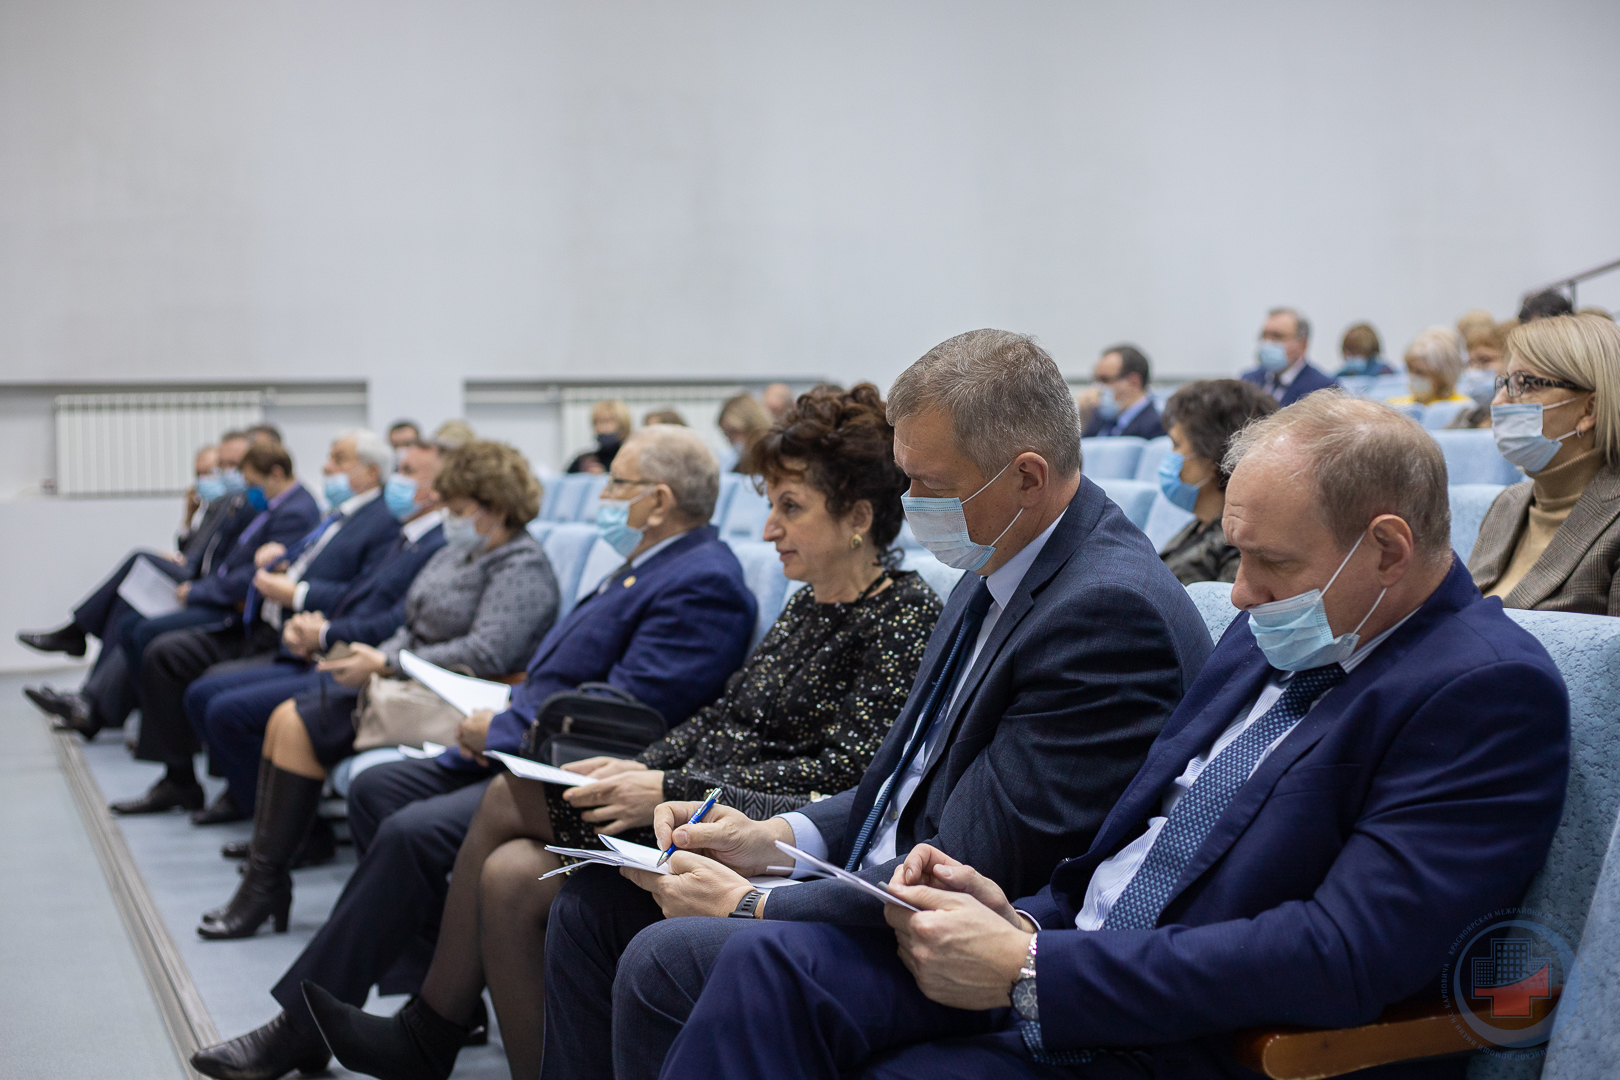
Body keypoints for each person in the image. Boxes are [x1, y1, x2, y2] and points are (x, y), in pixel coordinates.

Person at [654, 392, 1569, 1080]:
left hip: (1189, 1035)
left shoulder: (1484, 691)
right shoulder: (1282, 627)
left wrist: (1034, 966)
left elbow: (1342, 953)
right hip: (1065, 961)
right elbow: (1136, 854)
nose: (1239, 592)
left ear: (1389, 548)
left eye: (1270, 562)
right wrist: (1016, 917)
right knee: (770, 969)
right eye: (1239, 554)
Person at [532, 329, 1213, 1080]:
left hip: (968, 933)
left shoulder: (1106, 613)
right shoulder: (1000, 554)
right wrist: (775, 838)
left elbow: (971, 861)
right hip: (875, 880)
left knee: (669, 957)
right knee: (593, 906)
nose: (909, 503)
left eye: (927, 483)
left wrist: (756, 904)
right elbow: (903, 786)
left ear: (1026, 476)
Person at [302, 383, 944, 1080]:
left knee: (505, 801)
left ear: (858, 518)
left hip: (750, 826)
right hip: (690, 799)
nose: (767, 530)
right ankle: (458, 1041)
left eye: (790, 508)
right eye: (770, 507)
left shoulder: (902, 618)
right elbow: (722, 717)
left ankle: (429, 1030)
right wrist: (640, 769)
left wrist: (667, 784)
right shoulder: (809, 604)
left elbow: (846, 777)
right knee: (511, 874)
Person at [190, 423, 758, 1080]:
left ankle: (342, 1028)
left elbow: (629, 713)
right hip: (531, 742)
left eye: (616, 485)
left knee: (411, 833)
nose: (603, 496)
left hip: (585, 773)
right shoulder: (648, 564)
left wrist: (507, 731)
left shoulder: (703, 581)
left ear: (658, 501)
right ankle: (436, 1000)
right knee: (380, 791)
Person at [195, 440, 560, 941]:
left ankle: (264, 888)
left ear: (495, 508)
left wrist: (387, 663)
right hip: (409, 682)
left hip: (458, 696)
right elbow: (411, 626)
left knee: (296, 722)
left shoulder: (521, 566)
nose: (449, 517)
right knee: (285, 719)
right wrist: (370, 658)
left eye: (458, 509)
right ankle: (266, 881)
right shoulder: (461, 552)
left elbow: (487, 652)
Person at [113, 432, 399, 817]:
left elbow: (359, 593)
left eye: (339, 459)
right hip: (271, 624)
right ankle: (186, 781)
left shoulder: (379, 521)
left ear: (371, 471)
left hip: (301, 638)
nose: (326, 467)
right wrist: (283, 561)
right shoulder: (342, 514)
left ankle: (259, 807)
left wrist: (297, 595)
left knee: (206, 689)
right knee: (161, 651)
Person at [183, 440, 451, 828]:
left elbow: (393, 623)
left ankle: (292, 830)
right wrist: (311, 628)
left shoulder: (430, 543)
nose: (397, 479)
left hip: (362, 665)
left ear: (439, 489)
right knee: (205, 693)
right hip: (330, 648)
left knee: (227, 711)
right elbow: (357, 596)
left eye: (408, 472)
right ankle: (265, 816)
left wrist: (323, 633)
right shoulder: (405, 537)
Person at [20, 430, 254, 735]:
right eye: (214, 468)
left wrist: (192, 580)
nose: (216, 476)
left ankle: (78, 642)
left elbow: (219, 567)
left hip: (208, 595)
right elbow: (195, 552)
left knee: (139, 565)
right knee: (128, 608)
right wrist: (187, 520)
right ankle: (88, 702)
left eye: (228, 466)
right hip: (194, 581)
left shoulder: (246, 507)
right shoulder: (221, 504)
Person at [1470, 313, 1620, 614]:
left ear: (1589, 409)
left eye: (1524, 384)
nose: (1498, 402)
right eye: (1505, 383)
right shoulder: (1508, 503)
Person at [1154, 380, 1279, 585]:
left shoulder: (1239, 544)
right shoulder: (1201, 525)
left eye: (1176, 445)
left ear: (1211, 456)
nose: (1171, 456)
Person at [1240, 307, 1338, 406]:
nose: (1267, 342)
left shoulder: (1324, 388)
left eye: (1277, 336)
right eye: (1264, 335)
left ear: (1302, 344)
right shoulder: (1248, 381)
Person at [1077, 345, 1165, 439]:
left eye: (1105, 380)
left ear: (1133, 383)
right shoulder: (1098, 420)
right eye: (1095, 380)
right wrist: (1083, 421)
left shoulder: (1156, 427)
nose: (1096, 388)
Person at [1385, 326, 1471, 409]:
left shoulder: (1462, 408)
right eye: (1410, 369)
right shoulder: (1394, 407)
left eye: (1420, 372)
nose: (1412, 376)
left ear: (1443, 375)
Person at [567, 400, 632, 474]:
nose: (601, 428)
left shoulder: (631, 461)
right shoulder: (583, 462)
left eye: (607, 421)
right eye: (597, 422)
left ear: (623, 424)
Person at [717, 392, 773, 473]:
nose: (730, 440)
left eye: (733, 432)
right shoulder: (739, 467)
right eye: (726, 435)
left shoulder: (779, 461)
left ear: (752, 426)